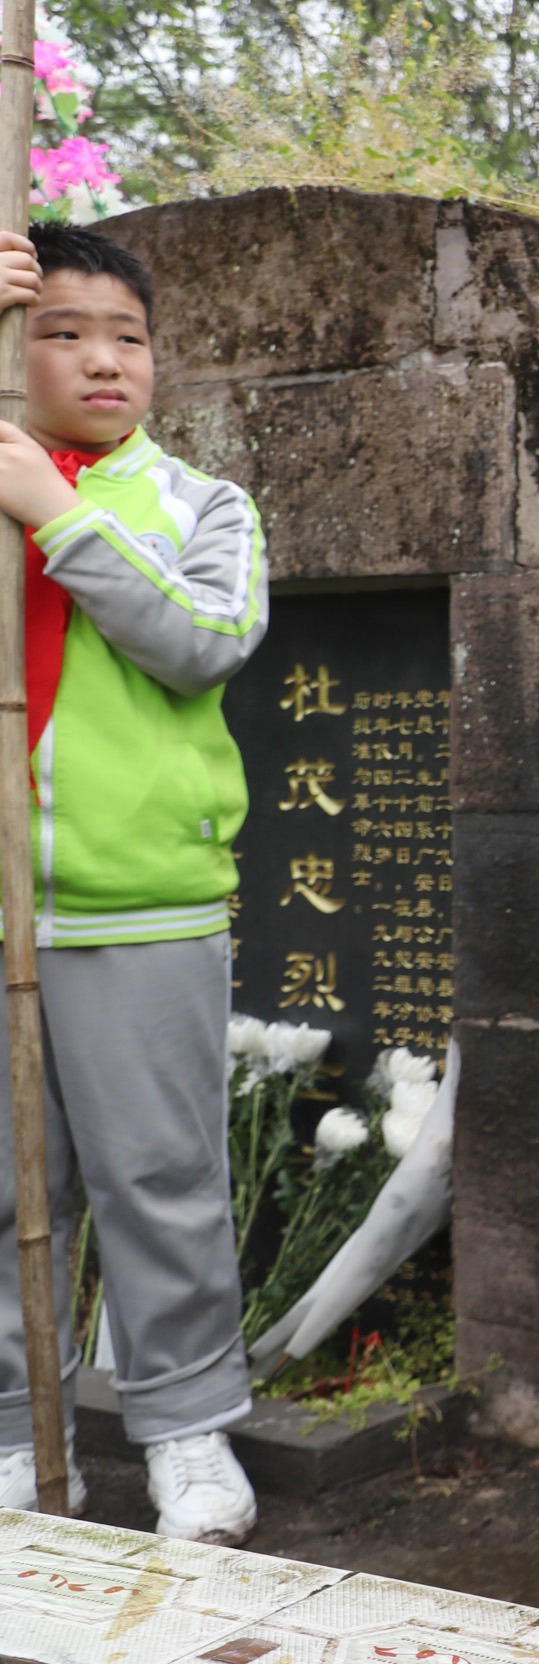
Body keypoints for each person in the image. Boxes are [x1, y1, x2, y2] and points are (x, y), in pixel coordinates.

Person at [0, 222, 269, 1544]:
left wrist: (59, 518)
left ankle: (186, 1429)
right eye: (63, 331)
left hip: (141, 903)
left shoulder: (202, 506)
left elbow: (200, 640)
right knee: (3, 1186)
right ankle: (11, 1430)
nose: (104, 360)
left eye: (130, 336)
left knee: (165, 1178)